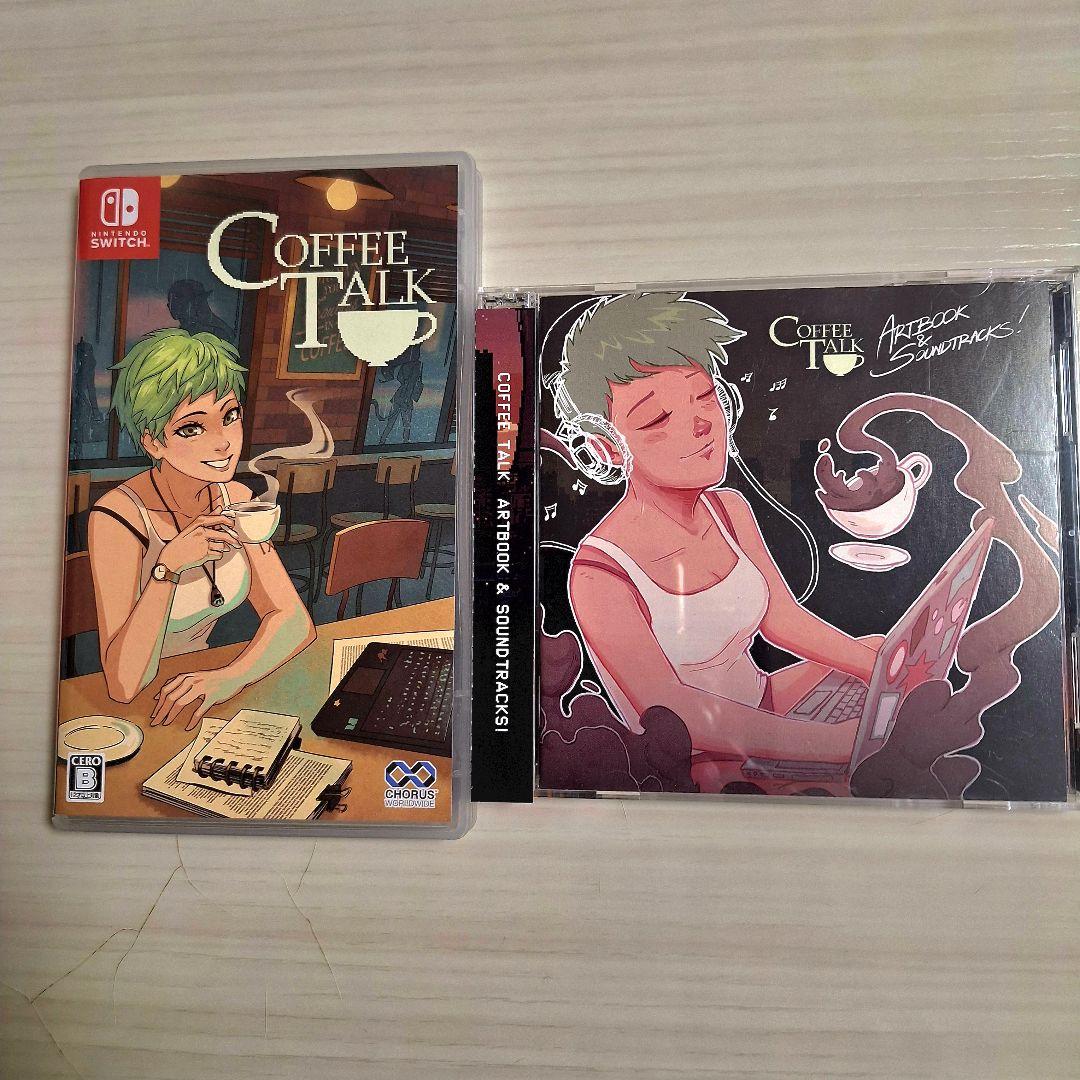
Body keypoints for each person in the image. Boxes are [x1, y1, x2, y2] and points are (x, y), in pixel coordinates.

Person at [554, 293, 883, 789]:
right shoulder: (599, 574)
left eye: (705, 395)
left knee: (879, 652)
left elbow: (782, 620)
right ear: (604, 447)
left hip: (766, 703)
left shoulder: (728, 508)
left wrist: (880, 668)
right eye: (657, 419)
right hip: (705, 762)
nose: (702, 424)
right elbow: (674, 711)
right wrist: (829, 744)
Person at [87, 328, 314, 728]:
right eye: (192, 428)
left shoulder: (236, 498)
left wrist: (230, 678)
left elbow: (294, 620)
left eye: (229, 416)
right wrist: (168, 568)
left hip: (202, 690)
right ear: (153, 442)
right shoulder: (117, 517)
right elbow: (123, 684)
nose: (223, 442)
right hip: (140, 707)